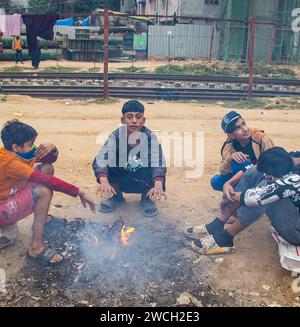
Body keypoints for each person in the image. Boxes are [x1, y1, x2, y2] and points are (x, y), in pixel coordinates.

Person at [0, 120, 96, 266]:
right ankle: (35, 247)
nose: (33, 147)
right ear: (15, 147)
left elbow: (48, 159)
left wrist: (52, 148)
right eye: (30, 144)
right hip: (3, 212)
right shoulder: (9, 161)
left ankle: (42, 219)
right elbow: (43, 180)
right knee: (43, 191)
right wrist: (79, 192)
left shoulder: (19, 151)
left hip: (12, 196)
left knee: (47, 168)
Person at [185, 147, 300, 255]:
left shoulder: (296, 178)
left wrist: (230, 195)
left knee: (267, 190)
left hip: (296, 231)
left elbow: (255, 197)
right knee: (256, 172)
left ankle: (226, 238)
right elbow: (253, 167)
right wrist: (228, 184)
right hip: (292, 214)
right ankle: (217, 224)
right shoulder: (291, 158)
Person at [93, 100, 167, 217]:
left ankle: (147, 198)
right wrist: (104, 181)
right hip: (122, 174)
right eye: (129, 117)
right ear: (123, 120)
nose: (134, 121)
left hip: (141, 176)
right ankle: (116, 196)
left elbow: (158, 161)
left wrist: (158, 184)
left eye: (138, 117)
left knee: (156, 169)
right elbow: (100, 159)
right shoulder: (115, 137)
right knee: (108, 164)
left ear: (143, 120)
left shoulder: (150, 137)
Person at [211, 111, 274, 192]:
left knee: (243, 163)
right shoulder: (229, 144)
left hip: (260, 176)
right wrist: (230, 157)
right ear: (231, 135)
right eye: (238, 128)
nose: (245, 129)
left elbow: (274, 163)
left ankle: (241, 194)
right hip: (241, 176)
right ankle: (240, 192)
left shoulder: (262, 139)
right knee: (215, 181)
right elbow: (222, 171)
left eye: (243, 124)